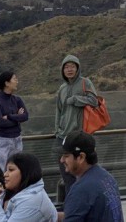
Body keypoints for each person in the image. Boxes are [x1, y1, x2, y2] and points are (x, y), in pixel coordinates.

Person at [54, 55, 99, 198]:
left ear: (78, 68)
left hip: (80, 135)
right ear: (62, 70)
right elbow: (59, 111)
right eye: (66, 67)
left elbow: (94, 101)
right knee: (67, 175)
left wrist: (76, 99)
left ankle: (84, 203)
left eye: (72, 66)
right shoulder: (62, 88)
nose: (69, 70)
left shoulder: (85, 83)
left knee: (82, 174)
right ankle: (71, 206)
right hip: (63, 135)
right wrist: (57, 130)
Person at [58, 131, 124, 221]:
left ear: (81, 157)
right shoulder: (107, 177)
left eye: (66, 156)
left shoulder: (81, 190)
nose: (62, 160)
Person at [0, 152, 58, 222]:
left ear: (25, 172)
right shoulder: (13, 192)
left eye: (11, 170)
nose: (5, 174)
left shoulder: (33, 201)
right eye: (6, 170)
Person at [0, 71, 29, 170]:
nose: (17, 81)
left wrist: (10, 117)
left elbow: (25, 116)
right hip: (1, 141)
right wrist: (17, 118)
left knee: (16, 171)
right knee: (0, 171)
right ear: (6, 83)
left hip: (17, 140)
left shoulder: (17, 99)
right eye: (14, 79)